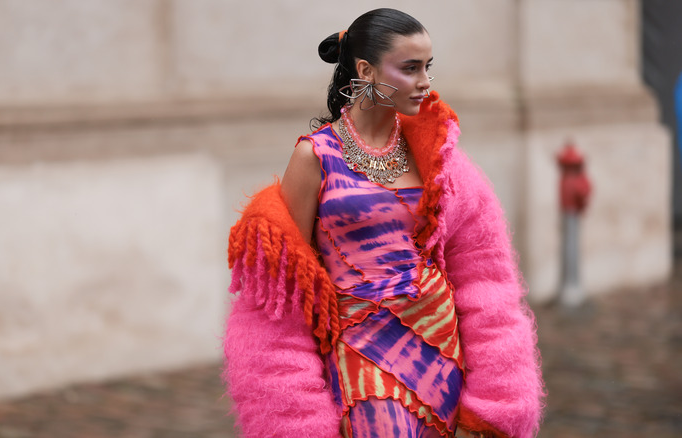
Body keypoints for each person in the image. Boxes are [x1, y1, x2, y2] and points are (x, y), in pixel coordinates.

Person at [224, 8, 544, 438]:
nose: (425, 82)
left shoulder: (435, 154)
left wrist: (495, 393)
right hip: (361, 352)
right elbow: (285, 292)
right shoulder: (314, 156)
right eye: (410, 68)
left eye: (428, 67)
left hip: (441, 348)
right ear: (365, 70)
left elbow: (484, 273)